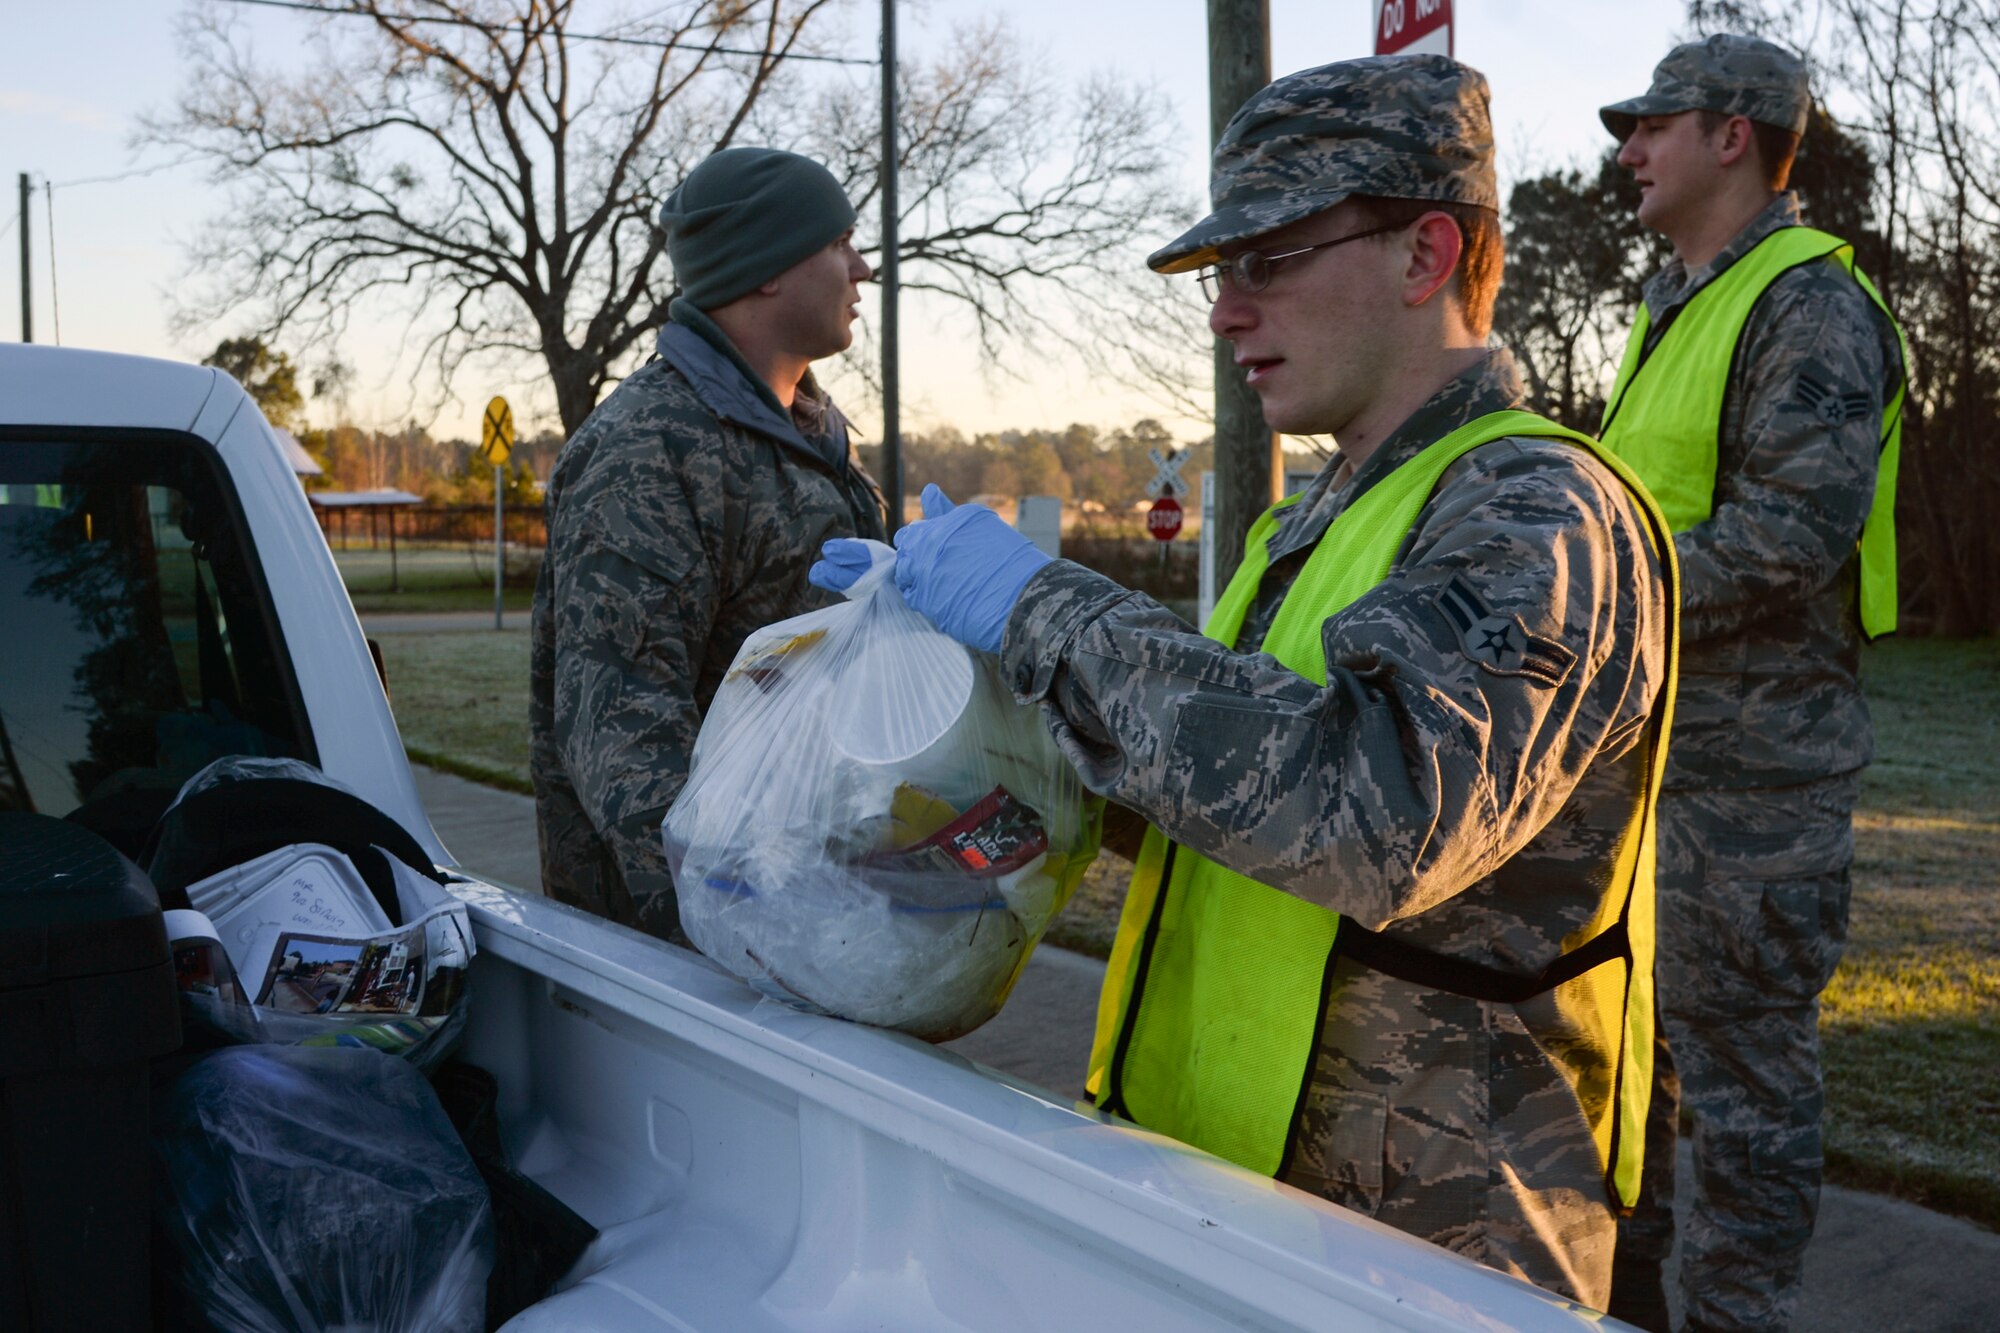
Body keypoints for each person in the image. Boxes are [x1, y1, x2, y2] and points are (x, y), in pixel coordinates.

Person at [814, 56, 1675, 1308]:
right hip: (1220, 1197)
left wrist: (1041, 608)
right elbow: (1210, 791)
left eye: (1266, 260)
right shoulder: (1310, 524)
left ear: (1423, 255)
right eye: (1224, 274)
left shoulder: (1541, 513)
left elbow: (1372, 813)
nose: (1224, 312)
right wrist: (969, 706)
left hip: (1425, 1249)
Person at [1593, 35, 1906, 1333]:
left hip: (1753, 782)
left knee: (1740, 1092)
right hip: (1660, 760)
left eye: (1651, 125)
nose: (1628, 150)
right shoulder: (1679, 303)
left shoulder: (1810, 302)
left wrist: (1599, 593)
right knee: (1635, 1079)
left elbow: (1793, 532)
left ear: (1736, 136)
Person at [530, 147, 887, 944]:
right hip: (699, 962)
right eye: (839, 244)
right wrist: (754, 922)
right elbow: (621, 728)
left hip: (825, 920)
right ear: (767, 269)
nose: (864, 268)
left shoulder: (810, 433)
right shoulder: (650, 447)